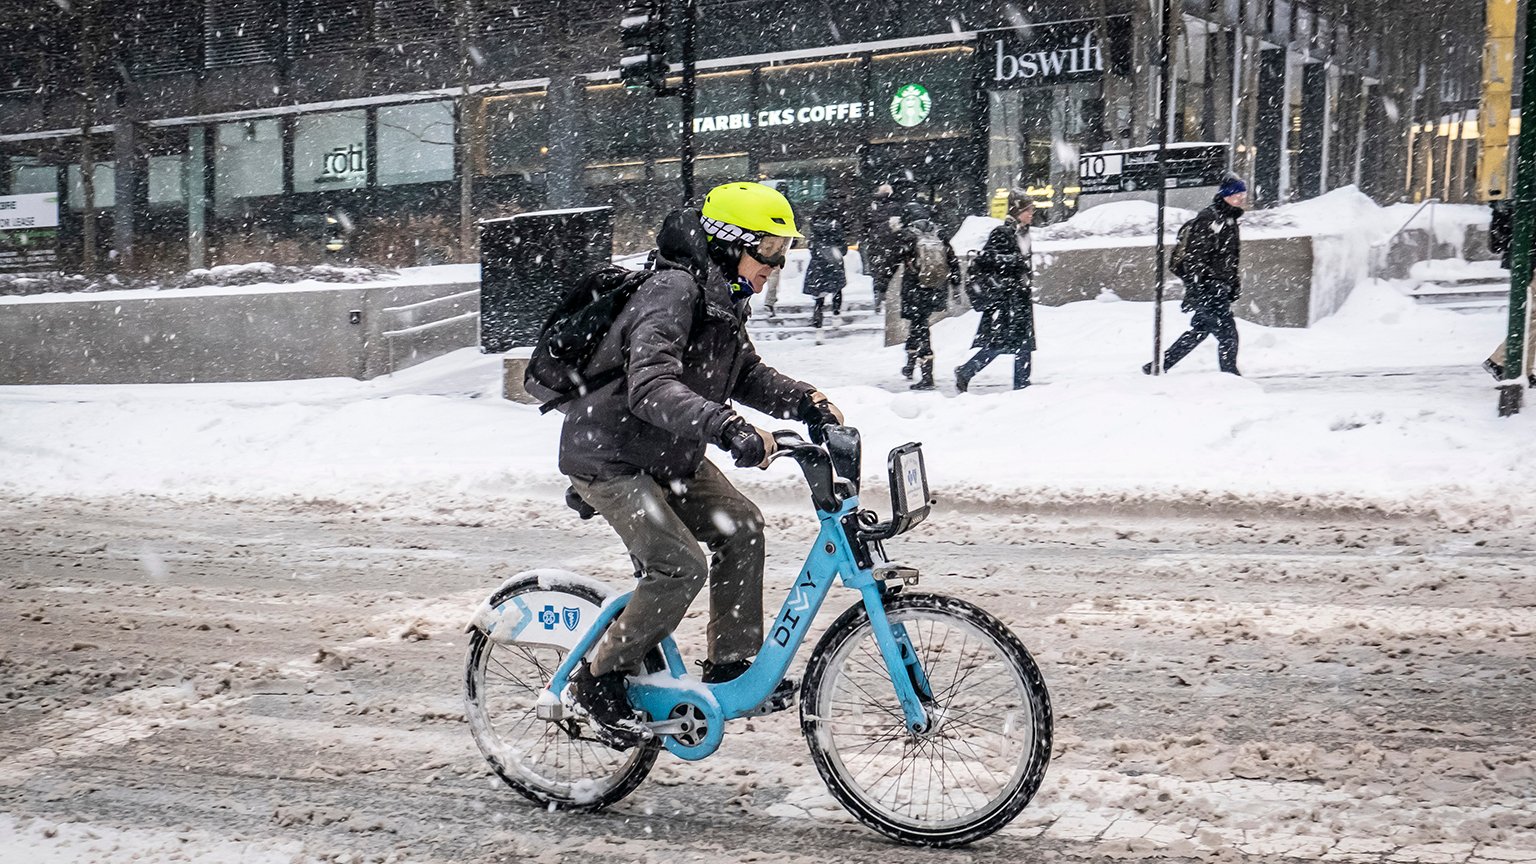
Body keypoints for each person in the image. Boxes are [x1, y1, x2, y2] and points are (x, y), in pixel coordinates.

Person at [559, 182, 845, 747]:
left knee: (741, 527)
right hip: (612, 458)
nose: (777, 264)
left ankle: (731, 667)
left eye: (783, 250)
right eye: (769, 248)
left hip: (669, 454)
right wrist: (726, 426)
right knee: (679, 566)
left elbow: (743, 375)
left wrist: (807, 402)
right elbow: (651, 386)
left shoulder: (721, 299)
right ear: (732, 242)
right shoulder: (672, 291)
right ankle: (600, 678)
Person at [1148, 175, 1247, 376]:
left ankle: (1157, 366)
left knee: (1200, 331)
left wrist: (1233, 283)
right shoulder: (1209, 219)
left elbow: (1230, 257)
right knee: (1228, 335)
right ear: (1226, 195)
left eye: (1242, 194)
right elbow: (1195, 258)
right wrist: (1197, 288)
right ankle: (1230, 377)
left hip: (1219, 287)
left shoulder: (1229, 220)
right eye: (1237, 194)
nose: (1240, 198)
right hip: (1209, 288)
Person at [957, 191, 1036, 392]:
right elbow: (987, 260)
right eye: (1028, 210)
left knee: (1023, 344)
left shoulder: (1024, 233)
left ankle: (1022, 385)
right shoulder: (1002, 232)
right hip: (1006, 298)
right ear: (1017, 211)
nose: (1031, 214)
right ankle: (966, 371)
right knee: (1000, 343)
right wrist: (1013, 262)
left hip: (1019, 297)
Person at [897, 202, 960, 390]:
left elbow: (894, 260)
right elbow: (952, 259)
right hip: (935, 289)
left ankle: (927, 376)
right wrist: (955, 283)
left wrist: (881, 285)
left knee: (921, 329)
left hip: (914, 289)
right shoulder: (939, 233)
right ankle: (910, 366)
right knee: (919, 325)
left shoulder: (908, 236)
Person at [802, 201, 847, 340]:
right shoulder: (835, 226)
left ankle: (818, 328)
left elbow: (811, 246)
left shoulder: (813, 227)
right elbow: (843, 247)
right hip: (834, 262)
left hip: (818, 265)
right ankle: (836, 314)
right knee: (837, 289)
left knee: (819, 298)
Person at [862, 183, 903, 311]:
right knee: (889, 269)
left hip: (875, 243)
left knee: (877, 271)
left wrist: (867, 238)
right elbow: (898, 227)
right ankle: (883, 291)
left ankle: (878, 291)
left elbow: (865, 226)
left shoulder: (872, 207)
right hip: (891, 244)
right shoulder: (896, 207)